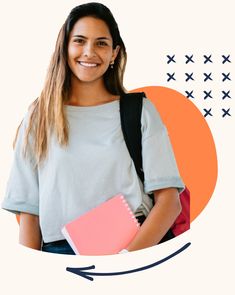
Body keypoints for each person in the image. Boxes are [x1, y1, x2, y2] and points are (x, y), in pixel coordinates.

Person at [1, 2, 184, 255]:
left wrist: (127, 260)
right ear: (65, 48)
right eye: (79, 40)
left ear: (114, 53)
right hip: (60, 255)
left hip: (134, 246)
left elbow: (169, 201)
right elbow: (29, 215)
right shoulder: (38, 116)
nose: (89, 51)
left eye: (101, 43)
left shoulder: (140, 111)